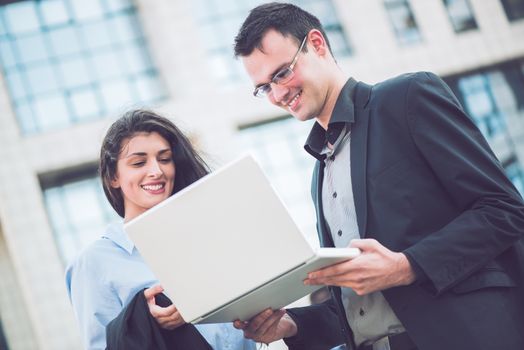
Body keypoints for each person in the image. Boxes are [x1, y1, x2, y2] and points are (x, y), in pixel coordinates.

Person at [232, 3, 524, 350]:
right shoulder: (320, 172)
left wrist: (408, 265)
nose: (278, 94)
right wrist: (290, 324)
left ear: (317, 44)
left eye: (282, 73)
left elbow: (505, 209)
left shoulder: (407, 98)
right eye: (264, 87)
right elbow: (361, 307)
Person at [65, 110, 256, 350]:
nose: (156, 170)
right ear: (113, 176)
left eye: (165, 159)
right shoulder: (93, 263)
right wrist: (144, 323)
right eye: (138, 162)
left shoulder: (205, 239)